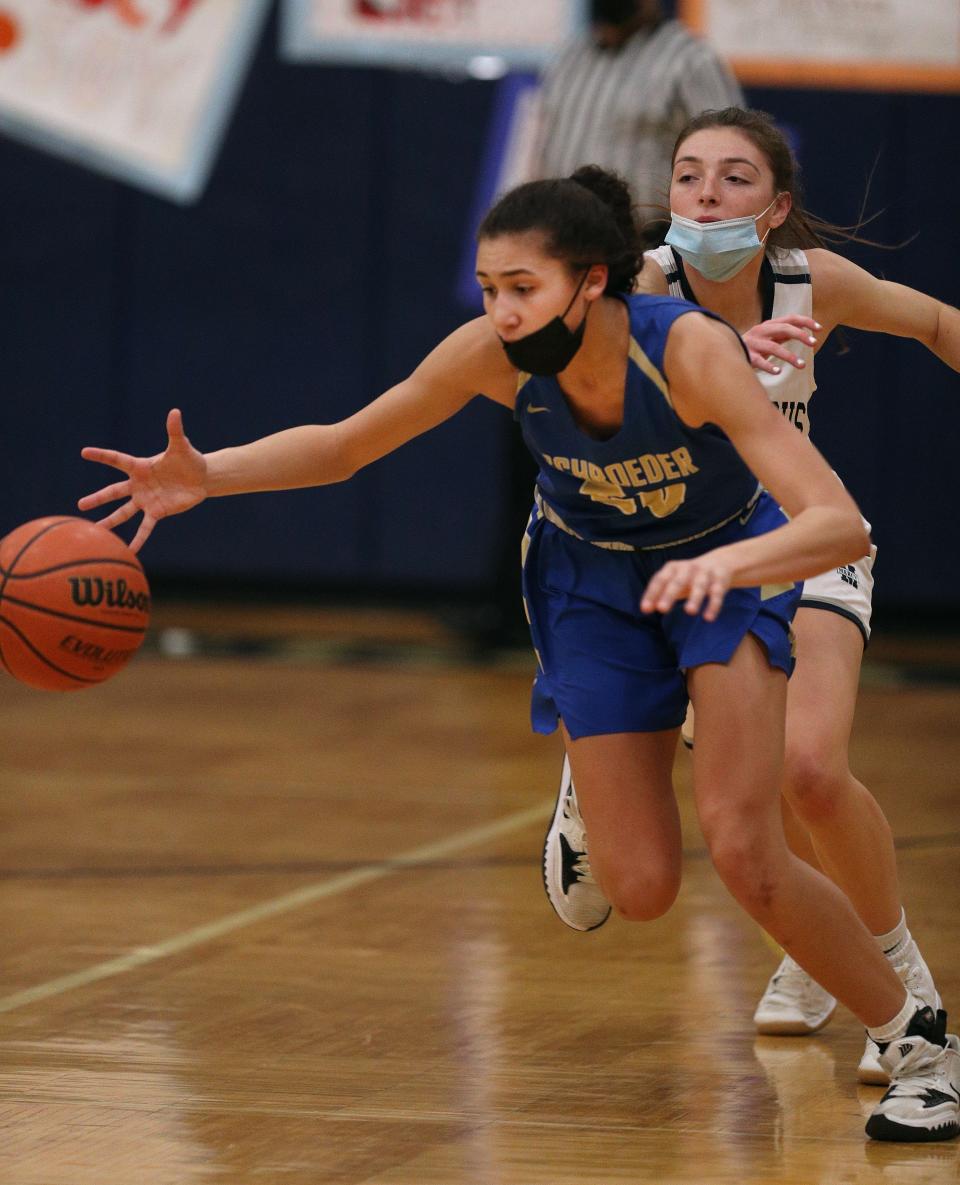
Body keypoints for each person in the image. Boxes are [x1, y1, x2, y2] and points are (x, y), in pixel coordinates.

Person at [79, 167, 958, 1143]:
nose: (498, 310)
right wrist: (208, 477)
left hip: (721, 567)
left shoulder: (692, 354)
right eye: (489, 288)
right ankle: (592, 769)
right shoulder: (494, 358)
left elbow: (834, 523)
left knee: (748, 848)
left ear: (592, 283)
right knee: (642, 890)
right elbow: (346, 446)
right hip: (590, 585)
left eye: (521, 288)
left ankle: (919, 1048)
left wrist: (732, 568)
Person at [542, 106, 958, 1092]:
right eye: (688, 176)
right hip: (670, 552)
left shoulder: (814, 284)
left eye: (733, 179)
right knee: (739, 795)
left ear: (773, 210)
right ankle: (595, 745)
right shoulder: (634, 284)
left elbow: (938, 321)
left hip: (798, 539)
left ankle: (897, 972)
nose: (705, 194)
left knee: (810, 771)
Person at [535, 0, 743, 247]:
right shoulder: (570, 57)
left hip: (650, 243)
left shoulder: (691, 59)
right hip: (566, 237)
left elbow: (730, 155)